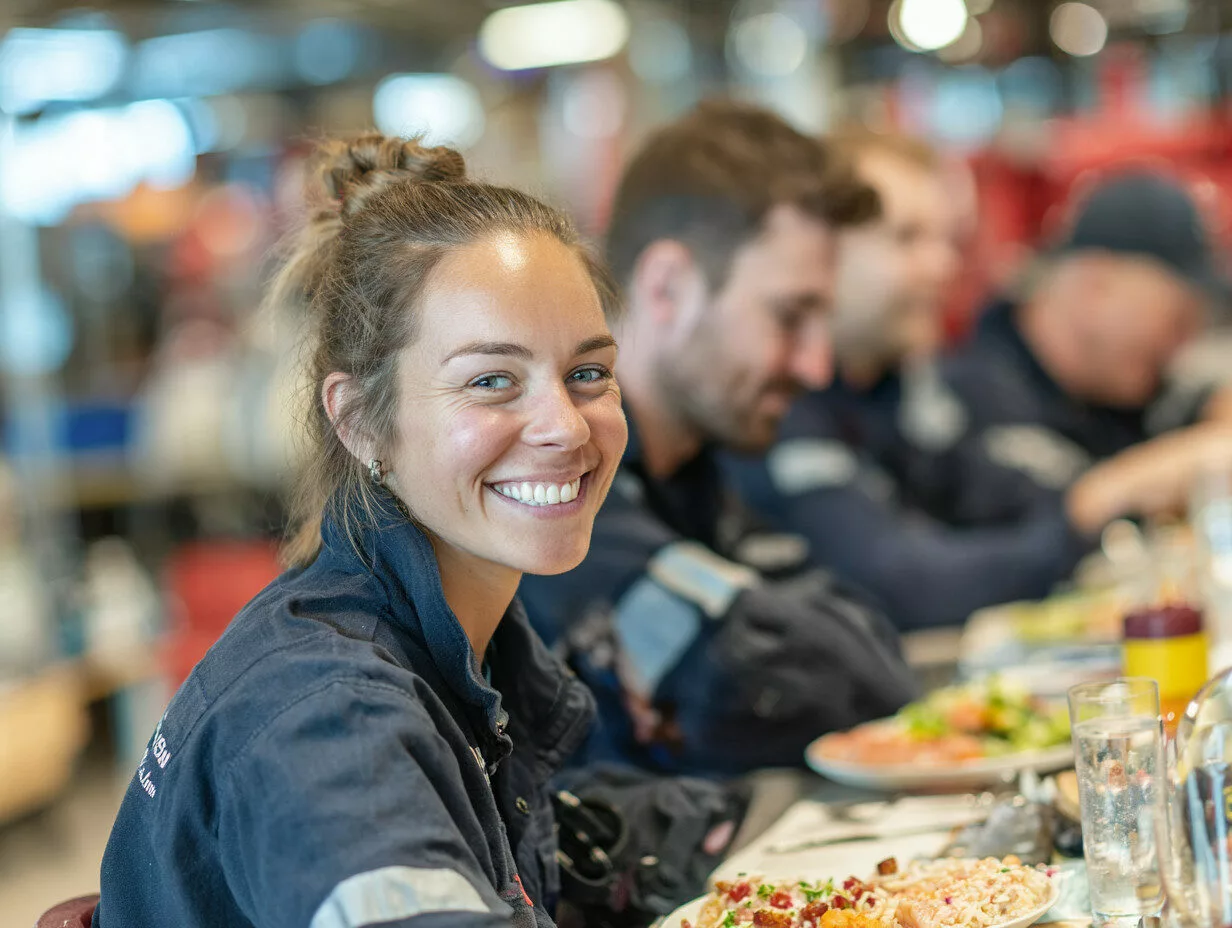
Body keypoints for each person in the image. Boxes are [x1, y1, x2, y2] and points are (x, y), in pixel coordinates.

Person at [93, 133, 632, 928]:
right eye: (492, 380)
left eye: (587, 373)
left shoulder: (464, 646)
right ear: (360, 422)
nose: (566, 427)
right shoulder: (329, 717)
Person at [519, 101, 919, 778]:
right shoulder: (560, 488)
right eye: (789, 316)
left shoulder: (700, 472)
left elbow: (872, 654)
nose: (816, 367)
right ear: (668, 289)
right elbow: (759, 689)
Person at [726, 143, 1232, 630]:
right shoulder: (780, 401)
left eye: (946, 240)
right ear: (818, 252)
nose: (944, 265)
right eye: (906, 238)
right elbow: (903, 585)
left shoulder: (897, 389)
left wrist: (1102, 501)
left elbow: (1018, 500)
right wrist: (1100, 503)